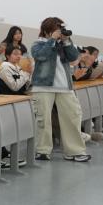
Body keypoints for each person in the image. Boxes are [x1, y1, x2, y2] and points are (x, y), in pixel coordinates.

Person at [31, 17, 89, 162]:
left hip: (64, 86)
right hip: (43, 86)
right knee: (43, 120)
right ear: (46, 31)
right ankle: (42, 150)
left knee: (72, 117)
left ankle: (74, 151)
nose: (59, 32)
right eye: (56, 29)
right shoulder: (38, 44)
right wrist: (52, 40)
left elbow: (74, 58)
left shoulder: (63, 44)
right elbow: (41, 56)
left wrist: (67, 41)